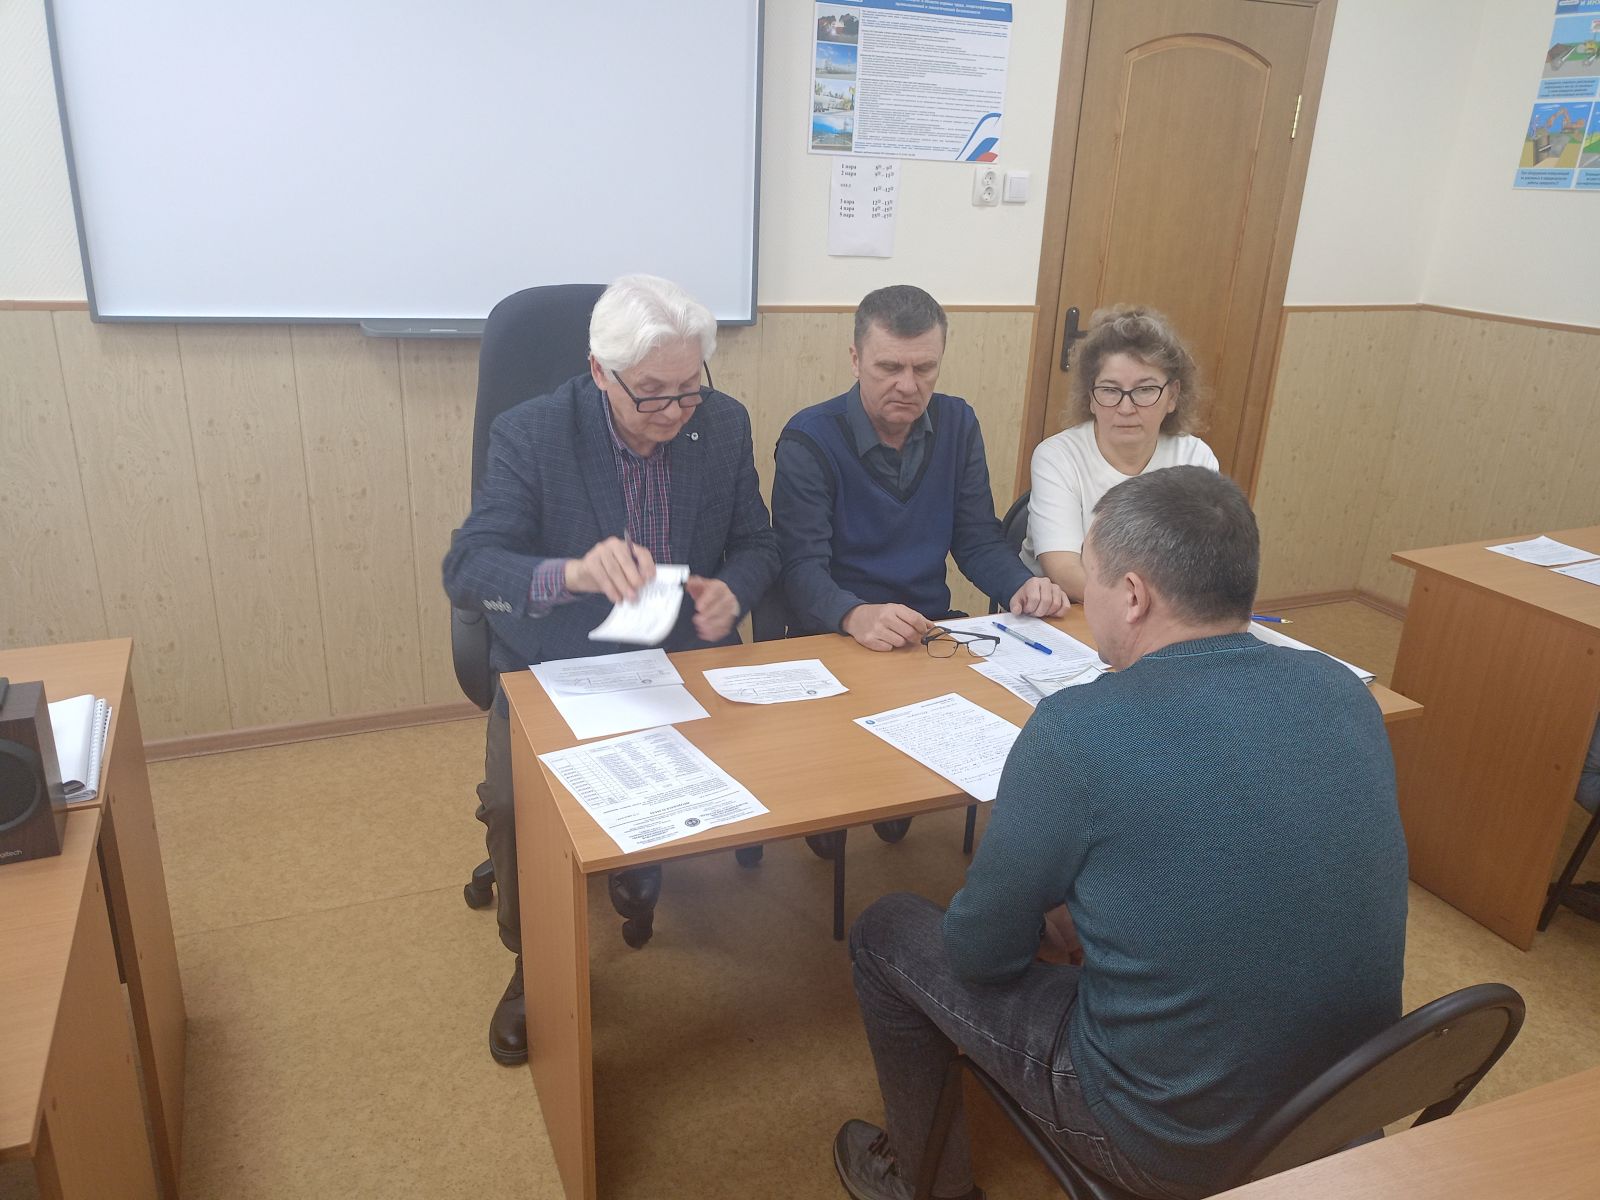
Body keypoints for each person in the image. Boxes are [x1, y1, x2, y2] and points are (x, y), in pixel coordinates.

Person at [835, 466, 1408, 1200]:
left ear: (1133, 596)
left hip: (1171, 1139)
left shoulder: (1080, 729)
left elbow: (979, 956)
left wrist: (1040, 920)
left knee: (886, 930)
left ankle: (927, 1186)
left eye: (1089, 578)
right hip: (1346, 1107)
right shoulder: (1341, 691)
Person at [442, 274, 779, 1066]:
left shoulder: (722, 423)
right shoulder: (533, 433)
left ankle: (644, 858)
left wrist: (735, 589)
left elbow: (758, 543)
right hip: (560, 659)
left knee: (754, 769)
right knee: (515, 807)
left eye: (688, 389)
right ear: (600, 371)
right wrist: (571, 573)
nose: (674, 412)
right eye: (651, 394)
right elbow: (469, 567)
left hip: (677, 651)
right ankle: (533, 967)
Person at [773, 284, 1067, 651]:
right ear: (856, 360)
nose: (908, 386)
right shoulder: (810, 438)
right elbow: (799, 567)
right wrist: (854, 614)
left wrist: (1021, 585)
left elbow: (976, 539)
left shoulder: (957, 423)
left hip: (928, 632)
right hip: (836, 635)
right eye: (890, 367)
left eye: (925, 368)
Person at [1025, 306, 1219, 602]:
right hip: (1072, 609)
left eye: (1145, 390)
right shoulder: (1057, 456)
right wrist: (1139, 605)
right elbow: (1064, 571)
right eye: (1110, 390)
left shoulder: (1195, 459)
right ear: (1090, 398)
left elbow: (1203, 564)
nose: (1126, 408)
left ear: (1172, 395)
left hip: (1158, 613)